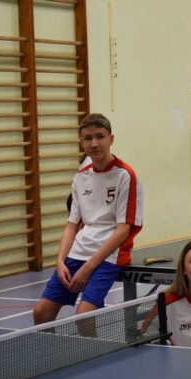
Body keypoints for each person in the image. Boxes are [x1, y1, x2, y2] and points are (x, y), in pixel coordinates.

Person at [33, 113, 143, 325]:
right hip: (78, 251)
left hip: (109, 255)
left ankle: (91, 348)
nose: (94, 143)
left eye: (100, 136)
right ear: (81, 142)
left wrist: (88, 268)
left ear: (111, 139)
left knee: (83, 318)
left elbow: (123, 231)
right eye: (88, 138)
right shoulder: (80, 176)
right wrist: (60, 261)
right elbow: (71, 226)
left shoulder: (125, 175)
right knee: (41, 313)